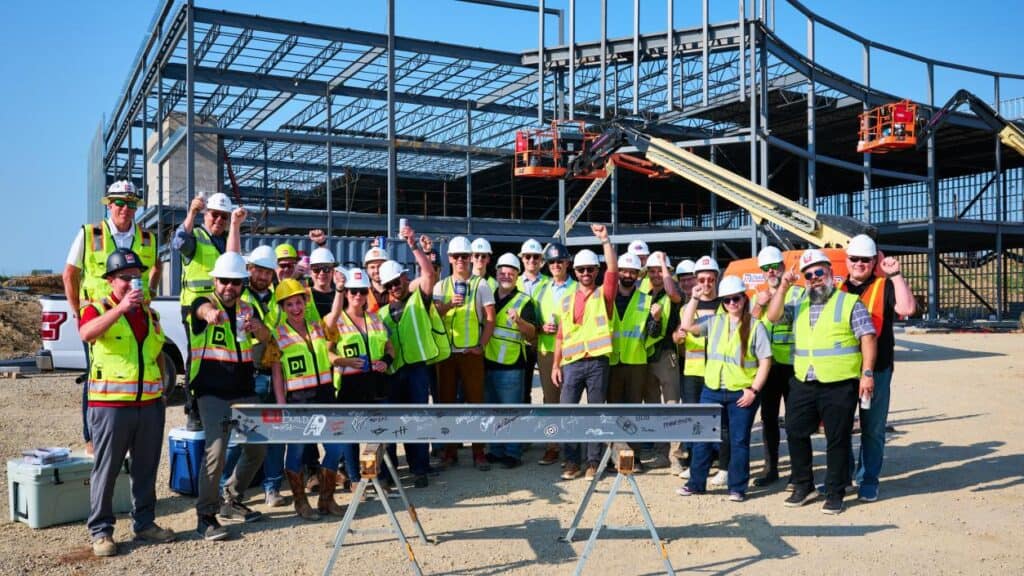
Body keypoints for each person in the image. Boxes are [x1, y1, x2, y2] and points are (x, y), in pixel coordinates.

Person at [766, 248, 877, 515]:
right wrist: (782, 286)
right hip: (804, 380)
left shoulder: (849, 302)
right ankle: (804, 485)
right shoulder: (800, 304)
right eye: (809, 275)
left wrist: (868, 373)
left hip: (839, 383)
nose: (815, 278)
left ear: (830, 273)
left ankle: (836, 491)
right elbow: (772, 316)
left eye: (819, 272)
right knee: (795, 432)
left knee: (836, 439)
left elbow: (868, 337)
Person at [79, 249, 173, 557]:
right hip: (111, 405)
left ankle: (145, 523)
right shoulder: (97, 308)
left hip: (148, 404)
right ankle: (101, 532)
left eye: (137, 277)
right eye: (125, 278)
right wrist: (119, 309)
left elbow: (158, 350)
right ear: (110, 280)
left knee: (146, 469)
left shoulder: (150, 313)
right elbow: (87, 332)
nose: (133, 282)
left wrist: (161, 388)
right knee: (107, 470)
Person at [64, 181, 160, 456]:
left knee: (133, 370)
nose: (125, 209)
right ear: (109, 204)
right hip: (100, 316)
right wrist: (77, 312)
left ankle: (129, 432)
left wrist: (150, 292)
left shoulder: (146, 238)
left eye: (131, 204)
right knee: (97, 375)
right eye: (119, 203)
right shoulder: (89, 233)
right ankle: (92, 438)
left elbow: (156, 267)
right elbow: (69, 274)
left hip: (136, 315)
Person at [189, 251, 270, 539]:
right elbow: (199, 310)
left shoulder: (248, 308)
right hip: (211, 392)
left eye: (235, 282)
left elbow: (266, 339)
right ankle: (206, 515)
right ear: (215, 279)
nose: (229, 287)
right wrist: (209, 314)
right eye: (224, 281)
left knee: (258, 448)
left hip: (243, 390)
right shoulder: (204, 302)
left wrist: (258, 328)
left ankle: (231, 499)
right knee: (216, 451)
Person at [676, 276, 772, 502]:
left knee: (739, 440)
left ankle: (737, 487)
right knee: (702, 438)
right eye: (727, 300)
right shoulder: (715, 322)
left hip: (741, 392)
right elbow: (687, 326)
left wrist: (754, 390)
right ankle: (696, 484)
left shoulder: (756, 326)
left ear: (743, 299)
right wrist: (694, 299)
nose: (731, 303)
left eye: (736, 298)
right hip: (712, 389)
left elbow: (765, 361)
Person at [840, 234, 915, 502]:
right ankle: (842, 476)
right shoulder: (838, 290)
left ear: (874, 261)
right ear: (847, 261)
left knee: (872, 427)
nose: (859, 264)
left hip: (877, 369)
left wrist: (895, 275)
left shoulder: (885, 286)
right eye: (854, 259)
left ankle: (868, 479)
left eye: (865, 259)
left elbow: (907, 307)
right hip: (845, 370)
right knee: (841, 427)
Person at [269, 278, 345, 520]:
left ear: (305, 301)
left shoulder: (318, 327)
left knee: (335, 447)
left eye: (298, 302)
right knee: (297, 451)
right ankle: (300, 502)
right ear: (282, 308)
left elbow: (335, 315)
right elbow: (277, 371)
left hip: (325, 397)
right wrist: (282, 405)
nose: (295, 308)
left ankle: (326, 499)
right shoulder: (277, 335)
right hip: (298, 401)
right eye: (289, 304)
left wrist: (340, 289)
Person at [220, 245, 288, 507]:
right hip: (247, 374)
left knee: (274, 435)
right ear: (249, 270)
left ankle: (272, 488)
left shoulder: (278, 298)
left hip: (275, 372)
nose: (262, 276)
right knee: (240, 436)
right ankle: (223, 489)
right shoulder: (238, 296)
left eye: (267, 271)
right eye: (258, 270)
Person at [378, 226, 442, 488]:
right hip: (393, 373)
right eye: (390, 284)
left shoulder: (420, 300)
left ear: (406, 279)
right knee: (392, 422)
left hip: (416, 370)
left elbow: (428, 273)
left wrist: (414, 245)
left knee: (416, 419)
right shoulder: (380, 314)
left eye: (398, 281)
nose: (395, 286)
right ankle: (390, 472)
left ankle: (419, 468)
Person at [552, 224, 617, 480]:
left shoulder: (604, 295)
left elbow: (613, 269)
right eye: (581, 269)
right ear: (575, 272)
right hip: (572, 364)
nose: (586, 273)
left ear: (596, 271)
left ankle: (592, 462)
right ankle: (571, 461)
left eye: (590, 269)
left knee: (595, 413)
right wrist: (556, 365)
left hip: (597, 363)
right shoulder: (566, 299)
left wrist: (605, 241)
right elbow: (560, 335)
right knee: (567, 412)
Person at [174, 191, 240, 430]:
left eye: (224, 216)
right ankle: (194, 410)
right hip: (195, 306)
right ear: (206, 215)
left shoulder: (225, 239)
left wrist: (235, 225)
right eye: (215, 215)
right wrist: (191, 213)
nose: (219, 220)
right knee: (198, 358)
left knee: (223, 355)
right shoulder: (196, 237)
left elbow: (233, 258)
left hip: (222, 305)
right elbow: (178, 242)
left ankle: (220, 403)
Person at [325, 267, 395, 490]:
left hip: (376, 383)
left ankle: (371, 474)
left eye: (362, 291)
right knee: (351, 434)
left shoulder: (375, 318)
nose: (358, 296)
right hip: (349, 385)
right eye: (353, 291)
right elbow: (326, 353)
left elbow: (390, 348)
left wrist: (386, 361)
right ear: (346, 293)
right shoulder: (335, 319)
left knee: (378, 432)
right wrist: (343, 361)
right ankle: (355, 480)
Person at [434, 236, 496, 470]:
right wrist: (449, 304)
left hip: (471, 354)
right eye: (456, 256)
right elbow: (435, 315)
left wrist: (481, 345)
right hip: (447, 355)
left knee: (476, 403)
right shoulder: (442, 286)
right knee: (447, 404)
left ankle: (479, 451)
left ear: (471, 258)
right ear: (450, 258)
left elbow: (490, 318)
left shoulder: (481, 284)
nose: (461, 260)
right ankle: (450, 451)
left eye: (464, 256)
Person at [749, 246, 805, 488]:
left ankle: (798, 471)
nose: (771, 271)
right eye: (766, 269)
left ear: (783, 267)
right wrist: (759, 307)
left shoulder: (799, 294)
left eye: (775, 267)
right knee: (768, 418)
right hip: (768, 367)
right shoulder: (756, 298)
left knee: (795, 421)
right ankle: (771, 468)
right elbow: (746, 326)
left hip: (793, 366)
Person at [673, 255, 728, 485]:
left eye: (710, 280)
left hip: (718, 371)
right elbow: (680, 332)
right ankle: (696, 462)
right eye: (702, 279)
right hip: (693, 371)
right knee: (695, 418)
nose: (706, 284)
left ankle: (724, 467)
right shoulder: (688, 307)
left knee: (721, 421)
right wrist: (678, 337)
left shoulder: (726, 305)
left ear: (716, 280)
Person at [483, 253, 537, 468]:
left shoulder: (524, 301)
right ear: (496, 273)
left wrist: (519, 321)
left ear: (517, 275)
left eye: (511, 273)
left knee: (512, 412)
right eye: (502, 272)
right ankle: (495, 450)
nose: (506, 276)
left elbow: (532, 333)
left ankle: (513, 452)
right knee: (493, 411)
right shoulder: (488, 297)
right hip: (488, 363)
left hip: (512, 366)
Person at [533, 242, 576, 466]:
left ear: (567, 263)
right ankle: (552, 446)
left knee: (569, 402)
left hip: (571, 352)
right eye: (552, 262)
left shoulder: (577, 288)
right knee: (550, 402)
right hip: (548, 352)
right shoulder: (540, 289)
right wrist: (541, 328)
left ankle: (570, 448)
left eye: (560, 261)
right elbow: (533, 320)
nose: (556, 265)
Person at [641, 251, 682, 469]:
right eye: (653, 270)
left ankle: (676, 456)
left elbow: (672, 292)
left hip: (666, 355)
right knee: (654, 407)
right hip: (647, 355)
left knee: (672, 405)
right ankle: (661, 453)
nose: (656, 274)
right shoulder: (644, 294)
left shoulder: (673, 294)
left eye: (660, 270)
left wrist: (665, 265)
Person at [608, 252, 650, 407]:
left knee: (634, 409)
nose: (628, 275)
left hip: (636, 363)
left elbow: (652, 331)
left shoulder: (646, 300)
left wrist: (657, 319)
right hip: (612, 360)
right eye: (624, 271)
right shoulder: (607, 297)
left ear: (638, 275)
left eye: (632, 272)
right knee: (613, 408)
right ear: (618, 272)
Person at [517, 238, 550, 404]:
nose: (531, 260)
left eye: (535, 257)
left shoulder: (550, 283)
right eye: (527, 257)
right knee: (523, 390)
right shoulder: (513, 282)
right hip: (521, 344)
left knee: (549, 390)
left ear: (541, 260)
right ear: (522, 258)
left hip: (544, 341)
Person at [363, 245, 391, 313]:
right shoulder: (360, 292)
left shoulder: (397, 289)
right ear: (367, 270)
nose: (376, 271)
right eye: (372, 267)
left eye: (380, 266)